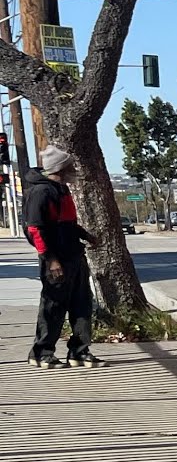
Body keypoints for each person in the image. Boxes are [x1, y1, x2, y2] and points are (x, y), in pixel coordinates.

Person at [24, 144, 104, 369]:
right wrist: (51, 259)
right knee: (53, 306)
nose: (73, 170)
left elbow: (66, 223)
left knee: (82, 303)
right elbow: (35, 230)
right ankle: (41, 352)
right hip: (55, 260)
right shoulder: (40, 192)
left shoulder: (61, 189)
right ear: (59, 169)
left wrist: (85, 236)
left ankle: (79, 351)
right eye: (69, 167)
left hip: (74, 255)